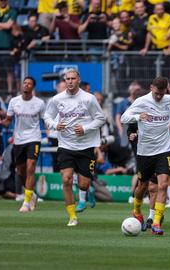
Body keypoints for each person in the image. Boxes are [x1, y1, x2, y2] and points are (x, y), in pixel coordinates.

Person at [43, 68, 105, 226]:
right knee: (66, 179)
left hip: (86, 146)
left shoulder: (89, 99)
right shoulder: (57, 99)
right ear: (65, 81)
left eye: (73, 78)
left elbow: (101, 118)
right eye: (67, 79)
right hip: (65, 145)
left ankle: (85, 193)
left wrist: (85, 128)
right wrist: (55, 125)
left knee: (83, 184)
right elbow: (47, 116)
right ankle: (72, 216)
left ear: (79, 80)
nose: (70, 81)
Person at [120, 76, 170, 235]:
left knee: (163, 185)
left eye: (161, 93)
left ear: (166, 90)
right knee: (142, 186)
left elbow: (166, 117)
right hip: (145, 151)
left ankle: (156, 222)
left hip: (164, 149)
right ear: (151, 88)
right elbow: (124, 118)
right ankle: (137, 210)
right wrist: (138, 117)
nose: (159, 96)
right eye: (156, 93)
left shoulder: (169, 99)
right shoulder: (141, 101)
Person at [0, 76, 45, 212]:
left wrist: (52, 129)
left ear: (33, 87)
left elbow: (46, 120)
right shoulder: (14, 102)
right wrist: (0, 122)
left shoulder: (39, 103)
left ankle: (26, 202)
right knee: (21, 171)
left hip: (34, 138)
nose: (26, 85)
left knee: (31, 167)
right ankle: (32, 194)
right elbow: (8, 121)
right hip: (19, 140)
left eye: (29, 83)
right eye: (24, 83)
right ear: (22, 86)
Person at [0, 0, 17, 96]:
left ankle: (10, 92)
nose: (2, 2)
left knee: (9, 70)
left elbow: (9, 25)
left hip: (7, 46)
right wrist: (4, 25)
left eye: (4, 0)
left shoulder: (12, 11)